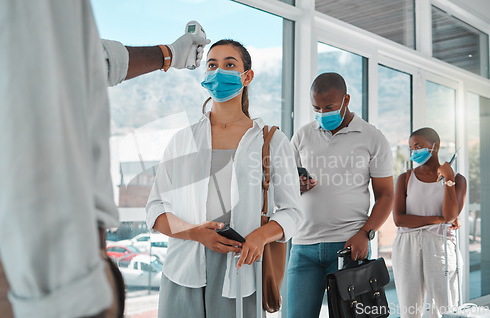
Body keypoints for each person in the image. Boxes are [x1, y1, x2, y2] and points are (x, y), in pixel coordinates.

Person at [0, 1, 209, 317]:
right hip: (35, 274)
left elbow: (85, 60)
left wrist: (170, 54)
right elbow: (35, 88)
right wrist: (68, 292)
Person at [145, 39, 302, 318]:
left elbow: (292, 212)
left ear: (247, 76)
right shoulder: (183, 140)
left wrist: (261, 236)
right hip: (183, 268)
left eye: (230, 64)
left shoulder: (272, 141)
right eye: (212, 65)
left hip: (240, 270)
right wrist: (194, 232)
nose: (219, 72)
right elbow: (155, 208)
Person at [287, 72, 394, 317]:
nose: (323, 113)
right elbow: (284, 185)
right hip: (303, 247)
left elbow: (386, 195)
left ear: (346, 99)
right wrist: (296, 185)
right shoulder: (303, 135)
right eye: (317, 107)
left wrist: (365, 234)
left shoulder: (372, 137)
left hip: (348, 247)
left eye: (329, 107)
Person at [392, 128, 466, 318]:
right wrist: (439, 219)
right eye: (411, 148)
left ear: (436, 146)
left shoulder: (458, 180)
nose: (414, 152)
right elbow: (399, 219)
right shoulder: (405, 178)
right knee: (409, 308)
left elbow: (450, 215)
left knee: (444, 307)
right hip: (407, 245)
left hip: (440, 244)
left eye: (419, 146)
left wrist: (448, 179)